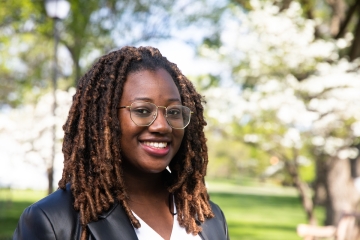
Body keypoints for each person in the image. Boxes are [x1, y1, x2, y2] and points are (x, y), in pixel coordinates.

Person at [13, 46, 229, 240]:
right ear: (104, 119)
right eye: (142, 111)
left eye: (174, 112)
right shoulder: (52, 221)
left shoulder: (210, 218)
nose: (162, 126)